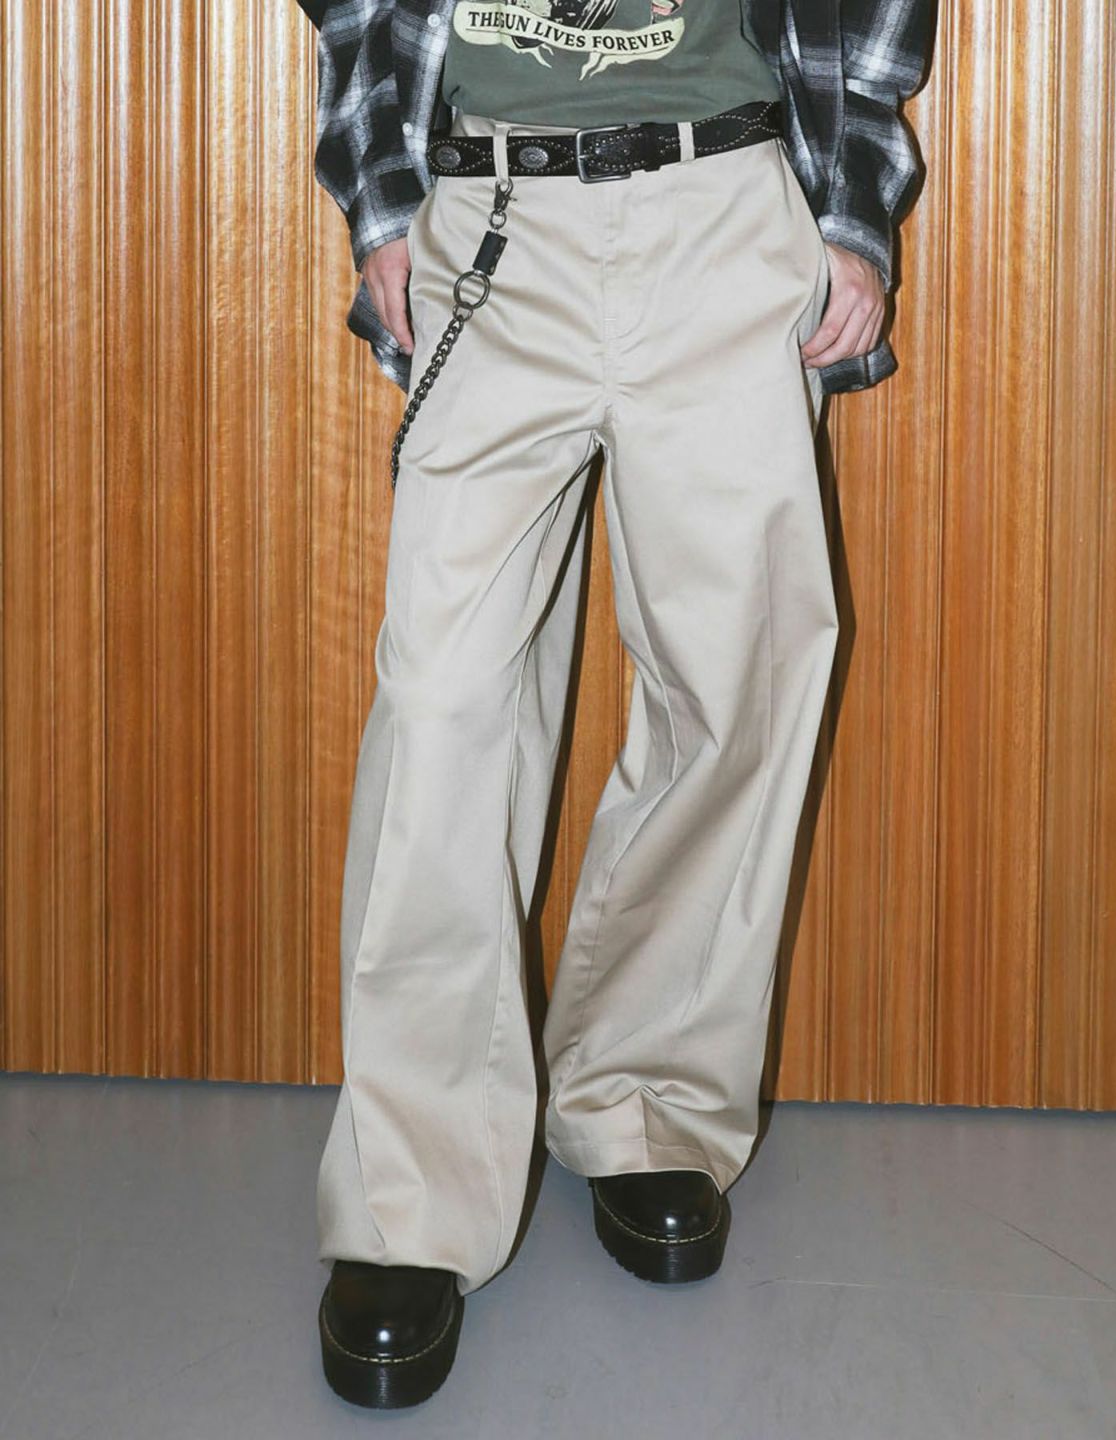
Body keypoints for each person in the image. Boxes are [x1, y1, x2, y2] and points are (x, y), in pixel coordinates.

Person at [297, 0, 932, 1410]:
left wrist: (853, 207)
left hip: (727, 205)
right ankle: (409, 1195)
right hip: (489, 213)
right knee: (443, 701)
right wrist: (381, 195)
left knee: (736, 683)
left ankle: (646, 1102)